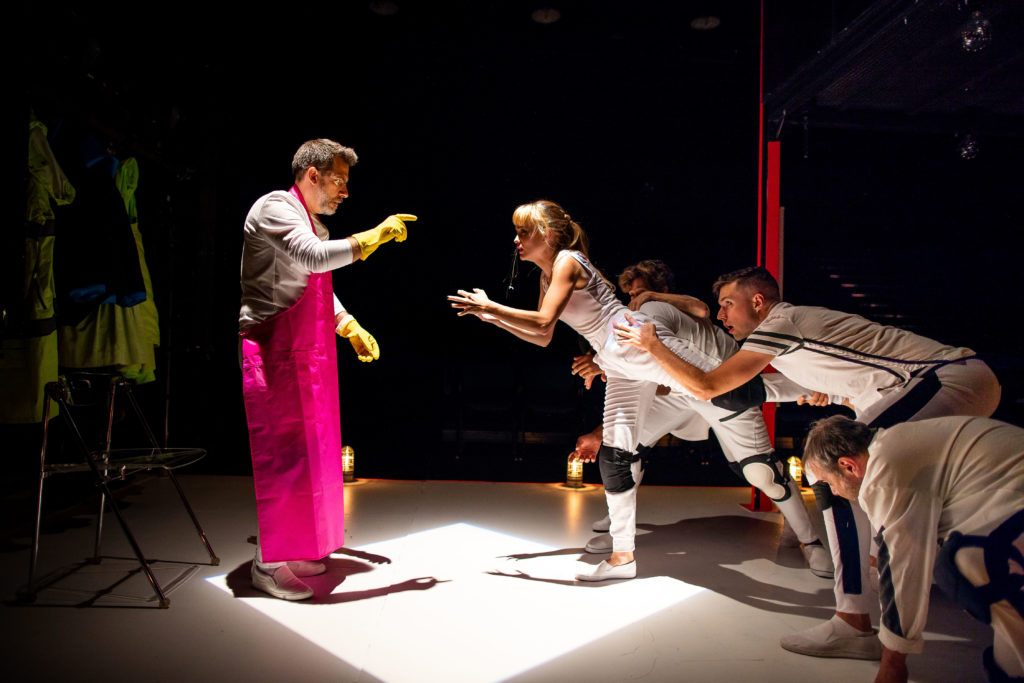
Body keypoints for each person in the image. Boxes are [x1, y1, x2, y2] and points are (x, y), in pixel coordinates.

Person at [614, 265, 1001, 658]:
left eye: (728, 305)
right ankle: (891, 575)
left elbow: (711, 386)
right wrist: (825, 390)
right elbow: (741, 396)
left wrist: (652, 346)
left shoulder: (782, 323)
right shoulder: (790, 347)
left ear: (758, 302)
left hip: (944, 379)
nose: (722, 315)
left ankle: (855, 616)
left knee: (830, 463)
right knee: (855, 476)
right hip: (952, 382)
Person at [450, 202, 813, 581]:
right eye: (517, 232)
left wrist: (492, 305)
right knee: (615, 454)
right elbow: (542, 336)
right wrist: (490, 316)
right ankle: (623, 557)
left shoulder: (568, 261)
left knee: (725, 391)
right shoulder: (547, 276)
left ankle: (819, 390)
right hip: (614, 356)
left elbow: (542, 321)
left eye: (524, 231)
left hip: (631, 339)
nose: (517, 240)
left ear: (550, 235)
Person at [572, 260, 832, 578]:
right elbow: (635, 384)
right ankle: (619, 532)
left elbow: (697, 311)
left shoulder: (661, 309)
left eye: (641, 292)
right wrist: (602, 366)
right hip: (680, 394)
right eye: (631, 295)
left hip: (721, 387)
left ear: (660, 291)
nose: (635, 300)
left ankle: (812, 541)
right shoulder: (640, 317)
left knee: (760, 472)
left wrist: (602, 360)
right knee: (625, 449)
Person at [239, 138, 415, 600]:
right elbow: (314, 259)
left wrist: (347, 323)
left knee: (310, 451)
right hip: (273, 346)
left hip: (304, 348)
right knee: (282, 454)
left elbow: (314, 279)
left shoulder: (308, 220)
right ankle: (268, 562)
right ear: (312, 175)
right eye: (339, 180)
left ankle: (292, 547)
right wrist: (373, 236)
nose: (345, 191)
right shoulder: (275, 207)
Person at [803, 415, 1024, 683]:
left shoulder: (884, 472)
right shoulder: (894, 443)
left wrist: (893, 664)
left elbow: (902, 568)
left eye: (828, 483)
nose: (834, 492)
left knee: (966, 561)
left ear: (848, 466)